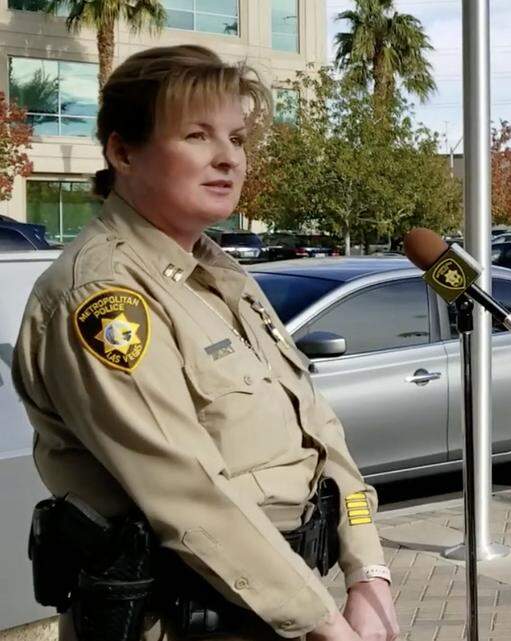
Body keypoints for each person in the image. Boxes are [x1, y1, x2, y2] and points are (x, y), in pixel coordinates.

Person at [13, 45, 398, 641]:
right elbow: (187, 492)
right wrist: (326, 625)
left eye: (238, 139)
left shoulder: (220, 274)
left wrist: (368, 573)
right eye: (197, 135)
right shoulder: (101, 298)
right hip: (185, 616)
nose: (228, 159)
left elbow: (320, 434)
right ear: (123, 151)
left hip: (280, 604)